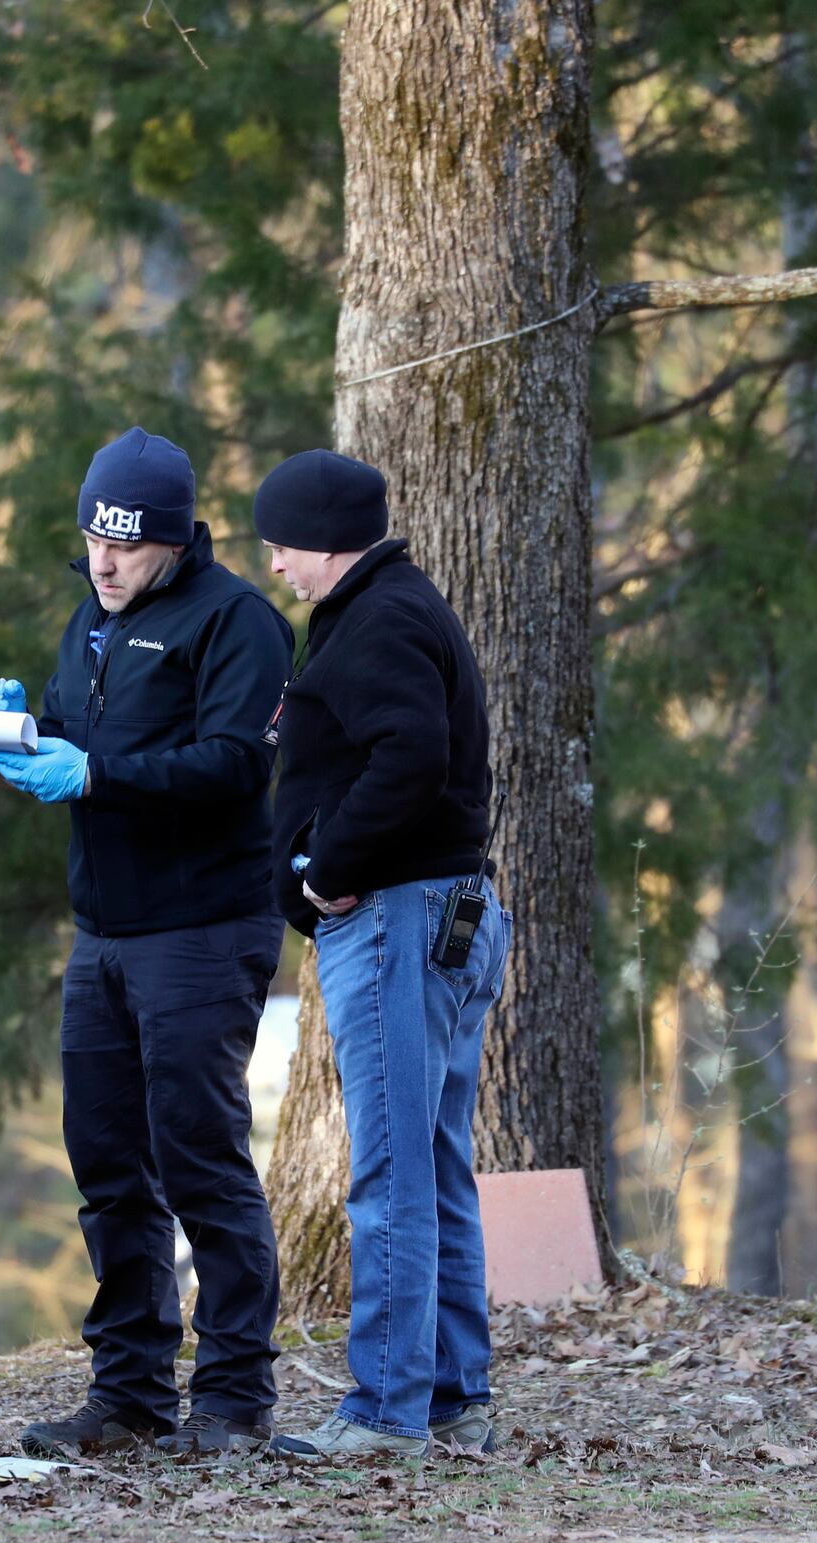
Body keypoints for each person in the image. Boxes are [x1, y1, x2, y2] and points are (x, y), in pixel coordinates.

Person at [0, 426, 297, 1458]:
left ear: (173, 539)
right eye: (91, 543)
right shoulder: (91, 619)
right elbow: (81, 733)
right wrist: (18, 734)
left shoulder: (236, 622)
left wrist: (98, 777)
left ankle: (235, 1402)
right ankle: (128, 1397)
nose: (104, 564)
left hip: (202, 930)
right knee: (108, 1164)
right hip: (104, 935)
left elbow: (233, 766)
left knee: (198, 1159)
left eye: (123, 545)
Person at [250, 448, 511, 1464]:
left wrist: (327, 867)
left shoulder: (379, 619)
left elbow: (411, 752)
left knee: (394, 1169)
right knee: (433, 1163)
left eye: (281, 545)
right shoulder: (399, 608)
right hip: (440, 914)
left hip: (401, 919)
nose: (276, 563)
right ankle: (451, 1396)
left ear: (322, 539)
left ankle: (386, 1410)